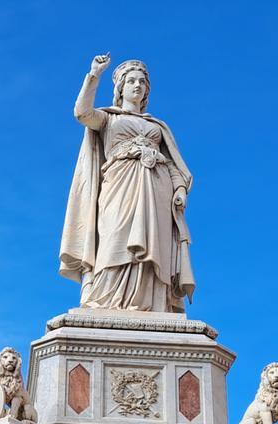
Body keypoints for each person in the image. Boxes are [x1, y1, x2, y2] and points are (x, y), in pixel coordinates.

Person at [59, 54, 195, 312]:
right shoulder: (109, 118)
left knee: (153, 242)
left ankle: (150, 302)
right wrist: (94, 75)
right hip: (119, 183)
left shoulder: (157, 126)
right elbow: (82, 113)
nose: (137, 85)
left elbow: (173, 163)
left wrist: (179, 189)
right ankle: (106, 297)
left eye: (142, 82)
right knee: (115, 235)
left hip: (157, 187)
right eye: (131, 81)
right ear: (120, 88)